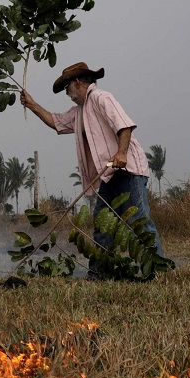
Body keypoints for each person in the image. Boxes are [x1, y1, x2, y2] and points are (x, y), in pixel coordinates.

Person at [19, 62, 165, 276]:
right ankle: (100, 273)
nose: (67, 94)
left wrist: (122, 154)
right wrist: (32, 105)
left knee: (139, 221)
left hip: (129, 171)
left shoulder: (100, 98)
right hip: (107, 176)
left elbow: (124, 125)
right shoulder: (79, 112)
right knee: (102, 226)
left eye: (67, 88)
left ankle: (159, 271)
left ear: (77, 83)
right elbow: (56, 122)